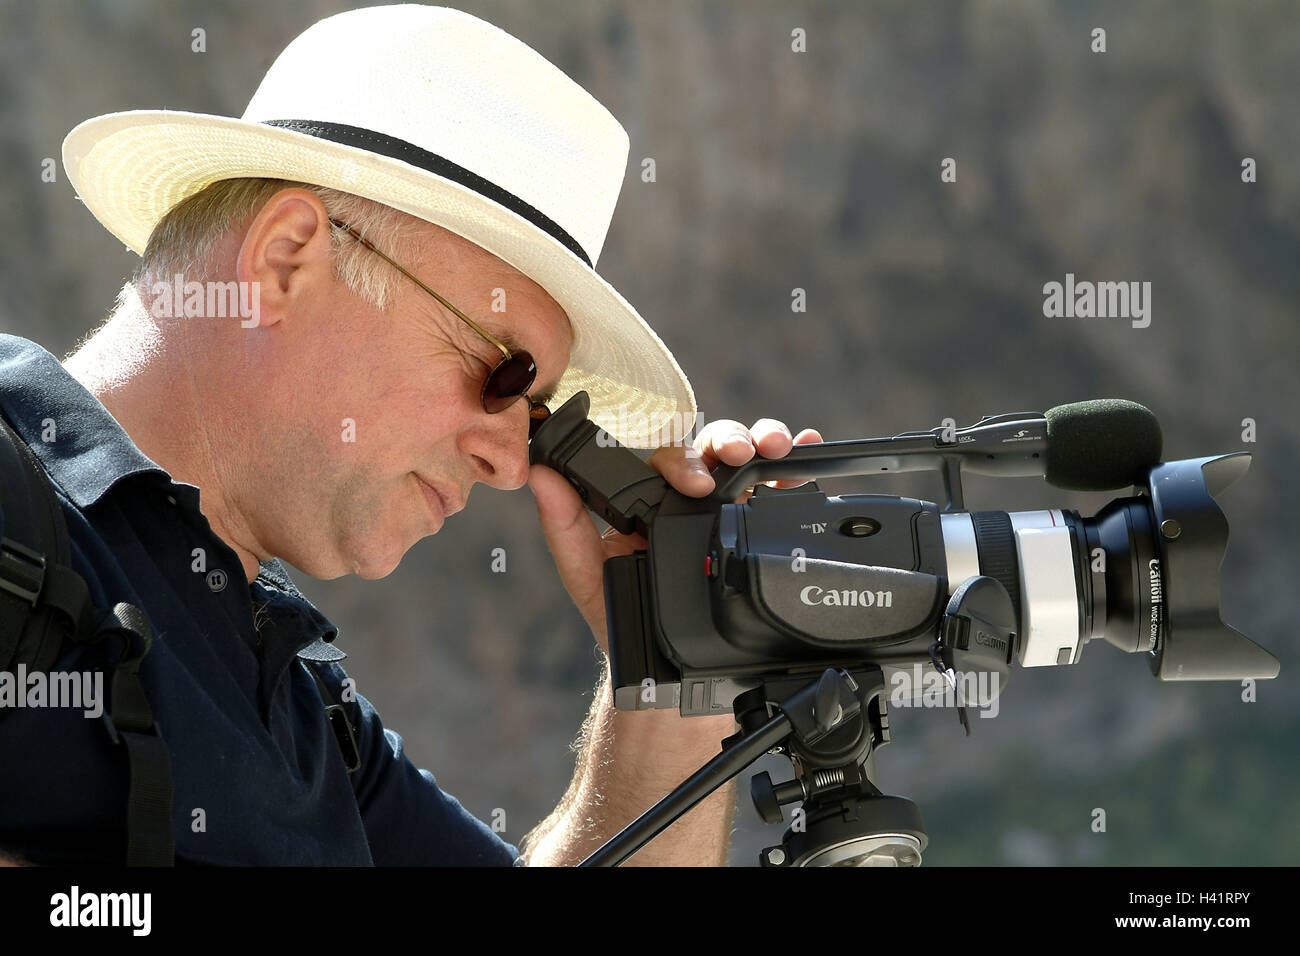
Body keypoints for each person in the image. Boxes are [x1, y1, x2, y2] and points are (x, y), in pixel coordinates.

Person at [0, 5, 822, 865]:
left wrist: (673, 663)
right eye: (503, 373)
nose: (510, 463)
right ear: (284, 261)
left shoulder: (312, 715)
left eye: (534, 413)